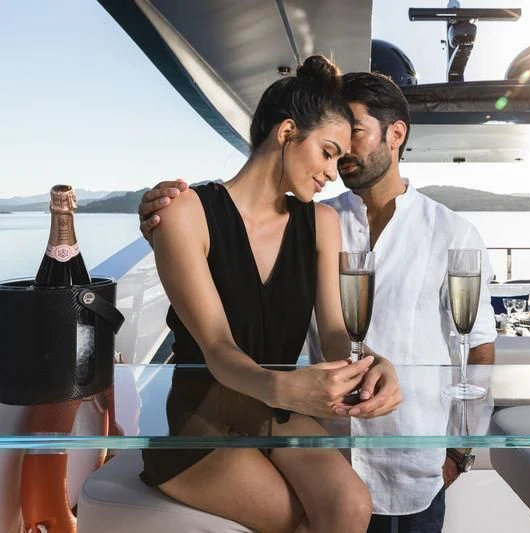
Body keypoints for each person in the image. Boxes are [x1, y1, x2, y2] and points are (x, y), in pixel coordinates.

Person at [139, 71, 496, 533]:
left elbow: (335, 334)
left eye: (342, 155)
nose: (333, 171)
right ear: (287, 133)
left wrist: (375, 363)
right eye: (328, 152)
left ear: (397, 135)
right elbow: (218, 348)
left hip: (292, 418)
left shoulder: (323, 221)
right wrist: (285, 387)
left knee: (351, 507)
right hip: (208, 415)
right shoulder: (187, 211)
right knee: (302, 517)